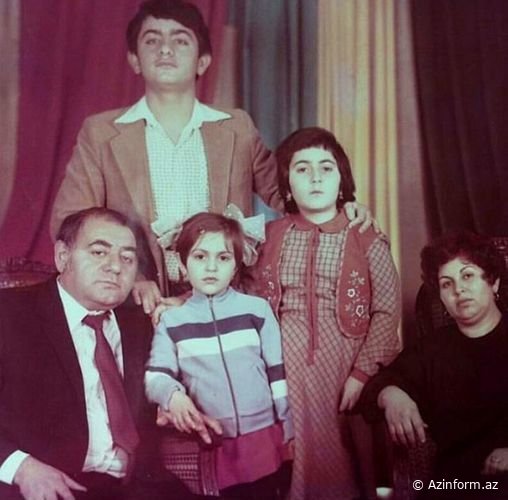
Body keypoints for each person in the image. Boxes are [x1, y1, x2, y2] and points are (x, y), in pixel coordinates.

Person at [49, 0, 374, 316]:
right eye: (152, 40)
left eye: (180, 40)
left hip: (221, 301)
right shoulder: (101, 132)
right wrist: (129, 275)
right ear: (134, 59)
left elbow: (285, 193)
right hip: (140, 305)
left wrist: (340, 207)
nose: (165, 50)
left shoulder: (236, 128)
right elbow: (71, 219)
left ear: (203, 62)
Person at [244, 127, 401, 499]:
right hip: (281, 371)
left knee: (344, 465)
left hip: (346, 371)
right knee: (289, 464)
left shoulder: (365, 235)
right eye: (302, 169)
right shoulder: (268, 236)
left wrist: (361, 375)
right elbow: (244, 297)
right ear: (286, 185)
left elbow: (387, 310)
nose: (315, 177)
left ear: (341, 180)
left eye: (326, 168)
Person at [0, 207, 194, 500]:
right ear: (63, 257)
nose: (115, 267)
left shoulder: (141, 323)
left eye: (127, 258)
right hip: (45, 486)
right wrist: (20, 468)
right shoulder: (9, 313)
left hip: (137, 487)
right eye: (99, 252)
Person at [145, 212, 293, 499]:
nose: (211, 267)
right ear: (183, 264)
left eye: (223, 258)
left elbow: (277, 374)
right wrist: (173, 396)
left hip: (264, 438)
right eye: (200, 257)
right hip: (214, 443)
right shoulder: (172, 322)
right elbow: (156, 376)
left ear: (236, 264)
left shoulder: (257, 310)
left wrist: (288, 429)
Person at [361, 231, 508, 498]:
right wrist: (391, 395)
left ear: (493, 282)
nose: (458, 290)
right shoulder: (431, 350)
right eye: (446, 284)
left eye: (467, 276)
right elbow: (375, 389)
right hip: (452, 485)